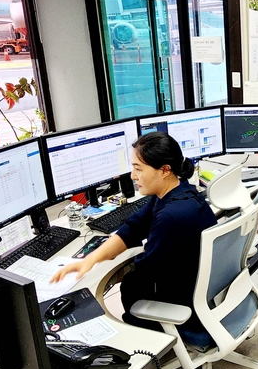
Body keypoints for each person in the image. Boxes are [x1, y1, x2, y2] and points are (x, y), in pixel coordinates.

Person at [51, 132, 217, 333]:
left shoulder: (172, 216)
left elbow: (147, 270)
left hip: (183, 307)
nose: (132, 176)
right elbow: (133, 228)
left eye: (138, 169)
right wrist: (91, 259)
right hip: (200, 294)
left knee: (129, 283)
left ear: (164, 170)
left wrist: (115, 270)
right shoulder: (178, 192)